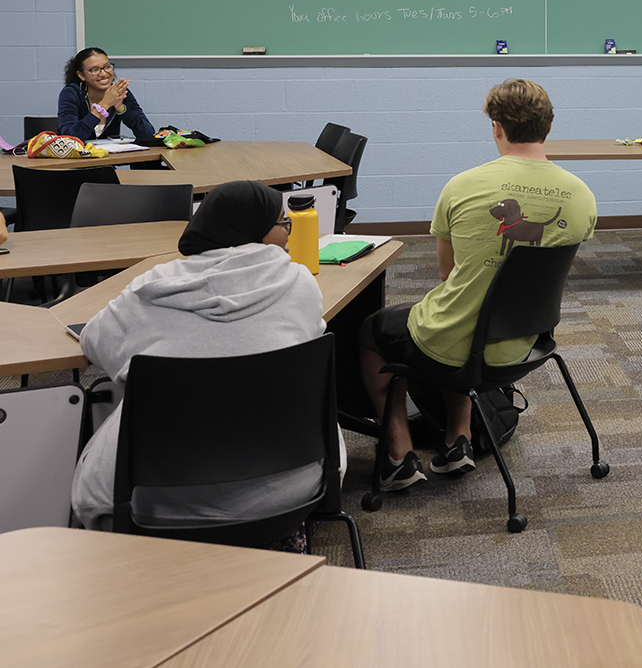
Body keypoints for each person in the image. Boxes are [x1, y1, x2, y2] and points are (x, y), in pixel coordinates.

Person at [359, 79, 596, 492]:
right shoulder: (582, 196)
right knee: (468, 320)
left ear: (496, 127)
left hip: (456, 347)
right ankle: (457, 440)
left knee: (372, 330)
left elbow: (447, 274)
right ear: (549, 127)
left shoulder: (461, 186)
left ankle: (398, 456)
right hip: (527, 344)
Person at [70, 180, 328, 531]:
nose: (288, 233)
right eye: (284, 223)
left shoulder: (150, 290)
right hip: (291, 485)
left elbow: (95, 343)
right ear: (256, 231)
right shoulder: (300, 284)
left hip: (154, 498)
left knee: (114, 394)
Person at [56, 47, 156, 142]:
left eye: (107, 67)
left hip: (110, 158)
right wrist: (104, 104)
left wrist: (121, 109)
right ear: (81, 75)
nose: (104, 74)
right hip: (80, 157)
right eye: (94, 70)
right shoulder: (71, 93)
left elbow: (147, 133)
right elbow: (69, 138)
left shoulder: (119, 92)